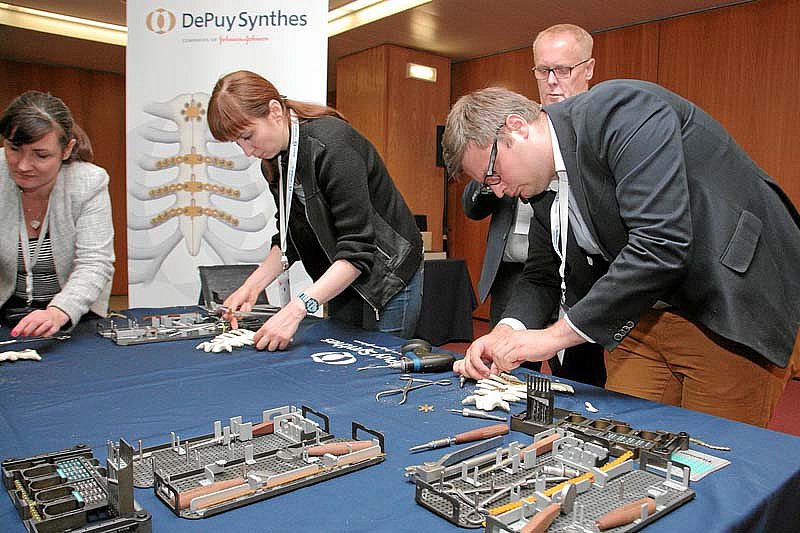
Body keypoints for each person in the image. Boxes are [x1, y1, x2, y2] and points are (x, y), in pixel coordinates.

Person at [442, 82, 800, 427]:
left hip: (725, 304)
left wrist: (552, 338)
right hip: (642, 315)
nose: (498, 192)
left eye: (493, 175)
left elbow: (659, 245)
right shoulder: (537, 183)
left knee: (711, 452)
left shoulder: (619, 111)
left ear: (517, 127)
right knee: (623, 441)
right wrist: (506, 331)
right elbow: (541, 275)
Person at [207, 70, 423, 351]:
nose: (247, 151)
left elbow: (357, 249)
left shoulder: (333, 145)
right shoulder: (274, 163)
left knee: (380, 362)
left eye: (248, 136)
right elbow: (289, 238)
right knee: (341, 358)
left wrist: (296, 310)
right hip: (342, 278)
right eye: (238, 143)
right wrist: (252, 286)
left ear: (275, 111)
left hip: (388, 277)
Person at [461, 23, 605, 386]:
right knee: (508, 372)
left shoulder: (604, 132)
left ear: (588, 69)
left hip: (588, 283)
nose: (552, 81)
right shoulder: (513, 132)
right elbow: (472, 206)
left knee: (580, 381)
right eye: (543, 70)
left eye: (563, 70)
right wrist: (494, 176)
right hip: (526, 272)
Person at [0, 91, 115, 337]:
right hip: (5, 312)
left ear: (66, 149)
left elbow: (95, 262)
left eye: (41, 155)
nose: (23, 165)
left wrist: (57, 312)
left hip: (73, 315)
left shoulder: (88, 182)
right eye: (14, 149)